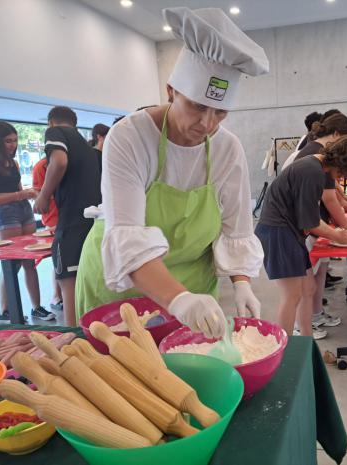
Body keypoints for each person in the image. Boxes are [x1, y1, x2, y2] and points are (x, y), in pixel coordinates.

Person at [74, 7, 269, 338]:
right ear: (171, 90)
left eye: (220, 112)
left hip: (193, 289)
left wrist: (241, 284)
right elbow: (128, 235)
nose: (207, 124)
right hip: (120, 288)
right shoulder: (130, 137)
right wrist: (178, 299)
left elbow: (237, 227)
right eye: (197, 106)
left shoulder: (227, 148)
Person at [255, 135, 347, 336]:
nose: (343, 176)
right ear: (343, 163)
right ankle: (286, 350)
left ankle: (306, 340)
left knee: (307, 288)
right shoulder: (312, 171)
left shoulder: (316, 166)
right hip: (278, 232)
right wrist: (337, 235)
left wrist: (336, 232)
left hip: (287, 232)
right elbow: (310, 223)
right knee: (292, 295)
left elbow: (309, 216)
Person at [291, 112, 347, 338]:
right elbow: (326, 199)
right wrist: (343, 228)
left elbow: (332, 192)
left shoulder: (321, 156)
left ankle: (315, 315)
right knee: (302, 285)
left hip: (314, 225)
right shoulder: (316, 157)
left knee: (317, 275)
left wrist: (341, 216)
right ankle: (300, 328)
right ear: (336, 135)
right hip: (303, 229)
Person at [0, 121, 53, 321]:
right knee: (12, 263)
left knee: (30, 260)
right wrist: (20, 195)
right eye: (8, 141)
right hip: (4, 212)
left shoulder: (14, 163)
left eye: (15, 140)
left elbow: (19, 189)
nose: (12, 145)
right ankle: (5, 310)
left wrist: (30, 194)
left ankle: (37, 306)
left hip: (22, 209)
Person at [33, 106, 102, 326]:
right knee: (90, 286)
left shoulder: (56, 133)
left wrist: (44, 196)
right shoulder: (89, 148)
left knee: (69, 287)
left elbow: (59, 161)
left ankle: (73, 342)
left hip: (72, 223)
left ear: (50, 122)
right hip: (94, 223)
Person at [32, 156, 62, 312]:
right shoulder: (40, 167)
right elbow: (38, 196)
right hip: (53, 217)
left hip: (67, 214)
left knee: (61, 255)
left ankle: (59, 295)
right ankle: (56, 296)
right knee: (58, 255)